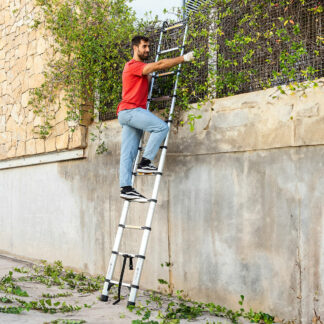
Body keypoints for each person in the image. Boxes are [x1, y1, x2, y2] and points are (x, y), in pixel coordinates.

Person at [117, 35, 195, 203]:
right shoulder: (133, 66)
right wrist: (184, 58)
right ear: (135, 48)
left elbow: (149, 75)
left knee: (128, 153)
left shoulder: (139, 69)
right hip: (131, 111)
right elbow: (159, 65)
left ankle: (126, 188)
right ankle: (145, 162)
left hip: (127, 113)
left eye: (149, 47)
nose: (147, 50)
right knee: (161, 128)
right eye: (144, 46)